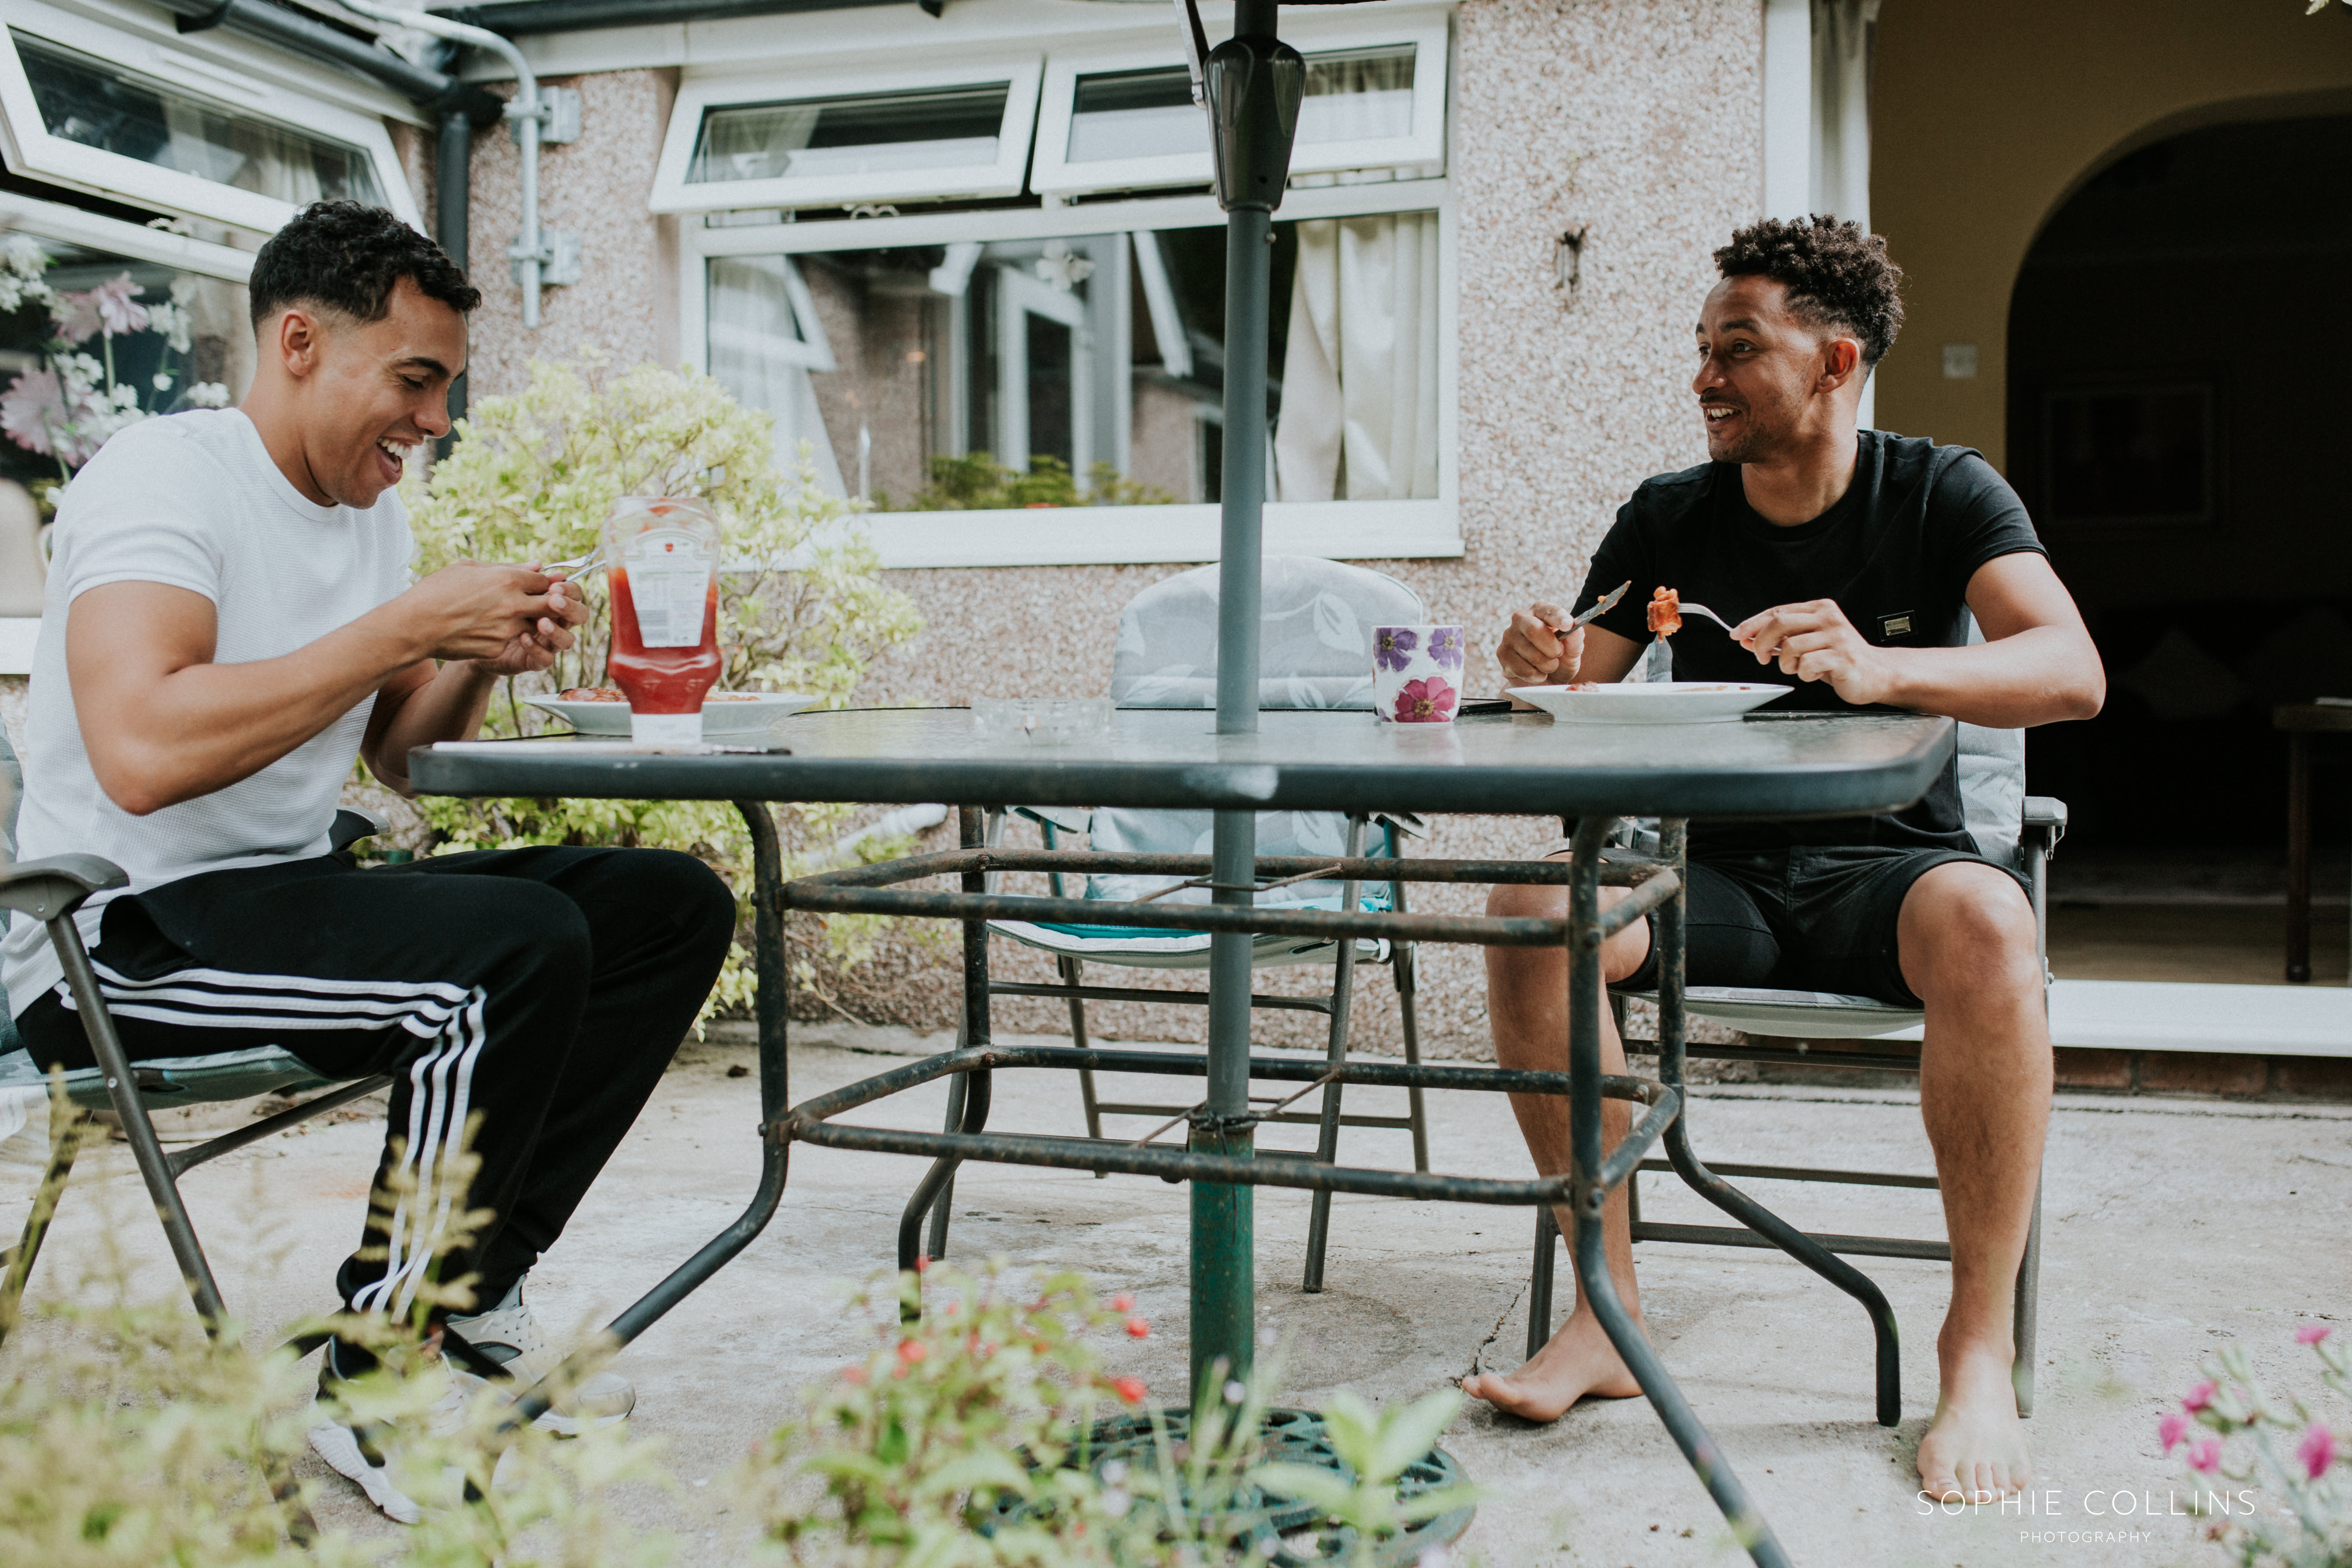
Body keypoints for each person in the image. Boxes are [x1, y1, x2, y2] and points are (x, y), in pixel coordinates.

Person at [0, 201, 735, 1520]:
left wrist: (465, 656)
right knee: (508, 956)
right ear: (297, 343)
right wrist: (405, 620)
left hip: (287, 900)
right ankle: (374, 1374)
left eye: (447, 387)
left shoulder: (369, 514)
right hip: (116, 941)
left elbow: (397, 760)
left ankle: (460, 1299)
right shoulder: (163, 479)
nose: (435, 421)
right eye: (415, 380)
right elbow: (142, 750)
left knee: (663, 905)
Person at [1460, 216, 2104, 1508]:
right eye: (1700, 349)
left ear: (1835, 362)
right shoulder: (1668, 518)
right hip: (1717, 882)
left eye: (1738, 349)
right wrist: (1536, 662)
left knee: (1991, 922)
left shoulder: (1943, 492)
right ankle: (1606, 1310)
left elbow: (2071, 673)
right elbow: (1576, 680)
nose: (1704, 375)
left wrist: (1887, 665)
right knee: (1539, 905)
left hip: (1893, 880)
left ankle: (1975, 1349)